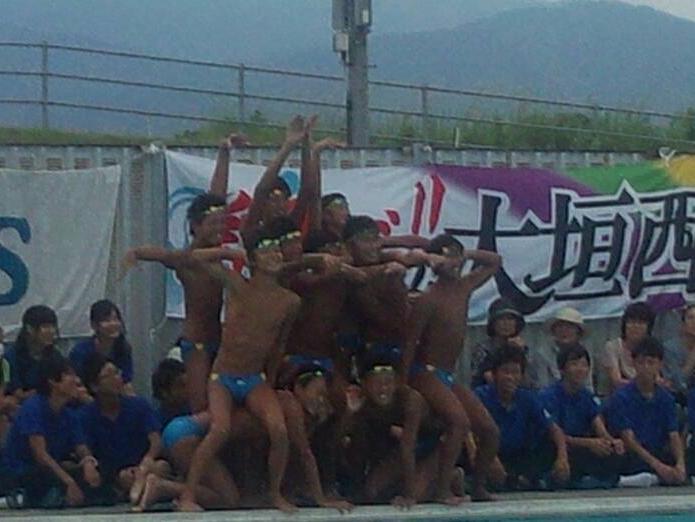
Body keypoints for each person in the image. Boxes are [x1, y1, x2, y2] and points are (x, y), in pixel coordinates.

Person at [177, 228, 301, 512]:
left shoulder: (290, 301)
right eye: (266, 251)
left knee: (279, 430)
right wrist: (229, 252)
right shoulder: (236, 284)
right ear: (253, 259)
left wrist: (270, 382)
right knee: (220, 430)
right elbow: (193, 258)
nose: (275, 255)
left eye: (277, 250)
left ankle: (274, 493)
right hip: (223, 377)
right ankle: (187, 495)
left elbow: (278, 346)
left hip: (255, 378)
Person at [403, 234, 501, 501]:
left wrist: (463, 253)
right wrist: (403, 383)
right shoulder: (428, 299)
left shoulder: (464, 287)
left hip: (447, 375)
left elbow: (495, 261)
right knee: (459, 423)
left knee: (489, 430)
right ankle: (442, 489)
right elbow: (410, 343)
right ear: (435, 263)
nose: (453, 263)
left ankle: (478, 486)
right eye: (446, 257)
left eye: (455, 256)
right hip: (425, 372)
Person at [123, 192, 238, 412]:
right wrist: (135, 252)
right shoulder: (187, 259)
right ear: (195, 226)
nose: (220, 228)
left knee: (224, 402)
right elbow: (163, 254)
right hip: (197, 343)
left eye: (222, 223)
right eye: (213, 223)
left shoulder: (216, 258)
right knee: (200, 405)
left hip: (219, 340)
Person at [342, 358, 456, 507]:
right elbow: (343, 441)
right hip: (403, 447)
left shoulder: (411, 400)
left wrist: (409, 496)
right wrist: (349, 413)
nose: (383, 389)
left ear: (396, 383)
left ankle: (453, 477)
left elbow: (408, 448)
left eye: (388, 383)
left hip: (432, 445)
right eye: (377, 383)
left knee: (417, 495)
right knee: (372, 492)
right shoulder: (363, 402)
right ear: (364, 384)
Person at [0, 353, 102, 508]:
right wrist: (68, 481)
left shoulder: (68, 414)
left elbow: (81, 446)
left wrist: (89, 462)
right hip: (23, 472)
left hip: (53, 469)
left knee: (98, 473)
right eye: (69, 375)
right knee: (45, 477)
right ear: (53, 381)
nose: (77, 380)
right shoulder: (33, 408)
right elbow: (40, 455)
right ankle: (19, 498)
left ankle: (56, 497)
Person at [475, 344, 570, 490]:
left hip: (518, 456)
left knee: (548, 447)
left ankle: (525, 480)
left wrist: (563, 458)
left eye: (515, 372)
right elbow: (471, 433)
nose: (510, 377)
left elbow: (554, 430)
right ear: (494, 374)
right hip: (487, 453)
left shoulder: (527, 398)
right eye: (505, 372)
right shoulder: (480, 396)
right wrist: (490, 459)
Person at [80, 354, 168, 506]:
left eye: (117, 373)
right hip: (117, 474)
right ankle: (146, 491)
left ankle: (140, 492)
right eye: (109, 376)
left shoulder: (139, 405)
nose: (117, 378)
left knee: (161, 467)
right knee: (125, 478)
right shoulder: (86, 415)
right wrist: (89, 462)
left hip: (144, 464)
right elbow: (83, 446)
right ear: (94, 386)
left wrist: (147, 460)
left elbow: (155, 440)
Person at [603, 337, 686, 485]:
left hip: (657, 451)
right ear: (633, 363)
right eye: (641, 362)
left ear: (660, 365)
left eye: (651, 363)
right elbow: (628, 439)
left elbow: (673, 434)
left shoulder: (666, 398)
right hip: (633, 454)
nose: (645, 368)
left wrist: (680, 464)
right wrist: (658, 466)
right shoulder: (621, 397)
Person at [539, 344, 624, 486]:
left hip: (582, 447)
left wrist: (611, 442)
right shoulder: (548, 396)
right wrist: (589, 443)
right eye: (574, 364)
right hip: (558, 447)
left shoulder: (587, 396)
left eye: (584, 365)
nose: (580, 369)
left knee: (613, 453)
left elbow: (599, 427)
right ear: (562, 369)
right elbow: (554, 435)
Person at [275, 366, 353, 511]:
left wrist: (347, 413)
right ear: (298, 389)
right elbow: (304, 454)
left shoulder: (309, 413)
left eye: (324, 394)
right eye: (318, 393)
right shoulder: (291, 405)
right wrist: (321, 500)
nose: (321, 400)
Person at [69, 300, 135, 395]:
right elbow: (76, 386)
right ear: (94, 325)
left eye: (116, 319)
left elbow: (126, 382)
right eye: (107, 320)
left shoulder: (124, 348)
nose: (113, 324)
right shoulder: (80, 351)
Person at [470, 298, 533, 389]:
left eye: (510, 319)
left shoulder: (524, 348)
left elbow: (532, 380)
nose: (506, 323)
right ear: (493, 323)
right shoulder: (482, 349)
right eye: (501, 319)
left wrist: (521, 352)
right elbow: (482, 377)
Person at [4, 305, 61, 403]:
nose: (52, 331)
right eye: (45, 327)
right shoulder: (10, 357)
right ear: (29, 329)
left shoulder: (55, 355)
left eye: (53, 326)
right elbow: (18, 394)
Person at [598, 302, 655, 397]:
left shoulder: (652, 348)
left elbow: (656, 379)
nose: (635, 326)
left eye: (641, 323)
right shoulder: (612, 347)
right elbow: (617, 381)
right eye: (631, 322)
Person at [535, 307, 591, 390]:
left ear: (578, 332)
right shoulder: (542, 353)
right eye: (560, 326)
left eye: (569, 326)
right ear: (553, 331)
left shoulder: (585, 353)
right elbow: (542, 385)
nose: (564, 330)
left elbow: (588, 384)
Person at [662, 303, 695, 404]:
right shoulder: (669, 348)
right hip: (679, 399)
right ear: (683, 323)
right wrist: (692, 359)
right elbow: (677, 384)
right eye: (690, 318)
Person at [151, 358, 190, 428]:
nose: (188, 389)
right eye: (181, 385)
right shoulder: (156, 423)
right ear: (164, 392)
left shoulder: (195, 411)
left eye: (188, 384)